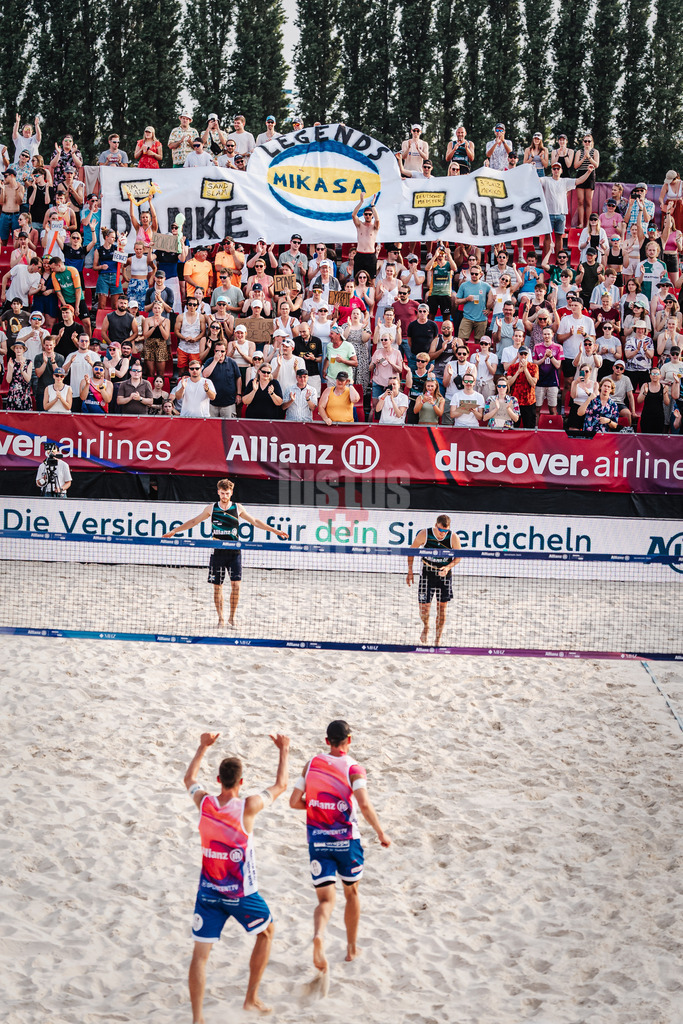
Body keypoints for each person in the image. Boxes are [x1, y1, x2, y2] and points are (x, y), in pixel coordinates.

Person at [183, 730, 290, 1017]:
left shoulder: (204, 803)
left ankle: (197, 1019)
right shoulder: (248, 806)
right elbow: (281, 785)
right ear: (241, 782)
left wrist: (202, 746)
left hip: (208, 893)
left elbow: (189, 780)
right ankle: (250, 998)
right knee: (267, 932)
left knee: (200, 957)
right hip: (240, 893)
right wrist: (284, 750)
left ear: (218, 780)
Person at [289, 720, 390, 974]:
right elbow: (364, 804)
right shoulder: (354, 768)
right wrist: (380, 832)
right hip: (346, 841)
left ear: (327, 741)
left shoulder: (311, 764)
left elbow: (294, 802)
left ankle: (319, 934)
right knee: (351, 893)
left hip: (318, 841)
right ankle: (351, 948)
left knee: (325, 899)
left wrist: (315, 808)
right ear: (350, 740)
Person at [163, 478, 287, 627]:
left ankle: (232, 618)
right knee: (217, 587)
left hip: (234, 552)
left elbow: (255, 521)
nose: (224, 496)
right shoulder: (211, 508)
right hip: (218, 553)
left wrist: (275, 531)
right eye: (222, 493)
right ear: (218, 492)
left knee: (236, 586)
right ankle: (221, 618)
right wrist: (175, 531)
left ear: (231, 493)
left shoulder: (237, 508)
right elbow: (194, 522)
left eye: (227, 493)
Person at [406, 515, 462, 645]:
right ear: (436, 525)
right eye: (441, 530)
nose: (443, 534)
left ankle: (438, 638)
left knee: (441, 609)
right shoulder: (425, 534)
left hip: (444, 575)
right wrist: (410, 570)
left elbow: (459, 557)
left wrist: (448, 567)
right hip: (427, 573)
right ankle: (426, 626)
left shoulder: (453, 537)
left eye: (445, 531)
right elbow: (411, 551)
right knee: (424, 608)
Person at [573, 132, 600, 229]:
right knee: (580, 201)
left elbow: (596, 165)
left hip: (590, 174)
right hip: (581, 174)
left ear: (592, 142)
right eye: (585, 141)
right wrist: (584, 157)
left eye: (589, 141)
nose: (587, 143)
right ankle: (580, 223)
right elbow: (575, 166)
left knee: (588, 201)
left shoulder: (595, 152)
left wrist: (589, 157)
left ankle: (588, 224)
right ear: (583, 142)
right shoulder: (579, 152)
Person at [351, 193, 379, 280]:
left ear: (372, 215)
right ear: (363, 215)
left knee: (371, 280)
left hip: (370, 255)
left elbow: (377, 219)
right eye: (366, 214)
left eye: (370, 214)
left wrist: (373, 206)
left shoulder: (374, 227)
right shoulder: (360, 225)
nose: (367, 216)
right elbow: (353, 215)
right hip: (360, 254)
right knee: (357, 278)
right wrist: (361, 202)